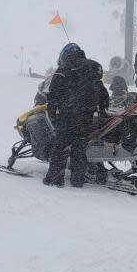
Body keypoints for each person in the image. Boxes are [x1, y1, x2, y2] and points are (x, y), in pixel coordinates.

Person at [44, 44, 106, 188]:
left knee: (60, 147)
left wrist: (53, 112)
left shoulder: (64, 69)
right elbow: (102, 92)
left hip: (68, 115)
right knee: (79, 148)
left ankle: (54, 179)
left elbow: (53, 94)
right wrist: (102, 109)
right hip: (86, 117)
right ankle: (78, 179)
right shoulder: (91, 68)